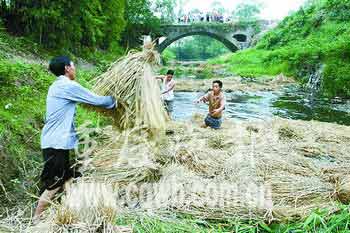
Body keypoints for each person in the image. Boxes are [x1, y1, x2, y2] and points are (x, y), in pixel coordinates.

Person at [34, 56, 117, 220]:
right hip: (56, 143)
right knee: (55, 182)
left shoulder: (56, 86)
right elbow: (96, 100)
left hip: (57, 142)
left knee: (68, 176)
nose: (75, 69)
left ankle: (66, 210)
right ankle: (36, 220)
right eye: (73, 66)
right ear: (67, 68)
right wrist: (117, 100)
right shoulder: (67, 86)